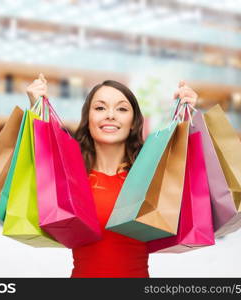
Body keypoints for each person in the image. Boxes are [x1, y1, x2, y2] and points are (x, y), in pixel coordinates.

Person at [26, 73, 198, 278]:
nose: (110, 115)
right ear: (88, 119)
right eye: (100, 107)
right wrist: (37, 107)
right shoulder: (72, 176)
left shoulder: (151, 177)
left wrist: (187, 119)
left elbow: (190, 186)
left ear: (134, 122)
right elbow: (40, 162)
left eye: (122, 109)